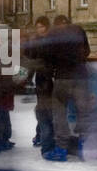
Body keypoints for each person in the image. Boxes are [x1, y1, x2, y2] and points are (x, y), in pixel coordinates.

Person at [45, 14, 92, 161]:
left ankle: (61, 149)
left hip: (63, 78)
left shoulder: (53, 33)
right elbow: (87, 51)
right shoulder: (79, 29)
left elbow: (48, 56)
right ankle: (84, 147)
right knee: (84, 113)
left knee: (59, 113)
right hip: (81, 76)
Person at [22, 18, 54, 154]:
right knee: (44, 109)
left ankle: (41, 135)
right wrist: (21, 79)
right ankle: (40, 136)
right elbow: (27, 61)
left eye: (42, 27)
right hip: (42, 80)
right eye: (38, 27)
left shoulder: (52, 41)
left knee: (46, 110)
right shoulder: (34, 42)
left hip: (51, 78)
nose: (40, 29)